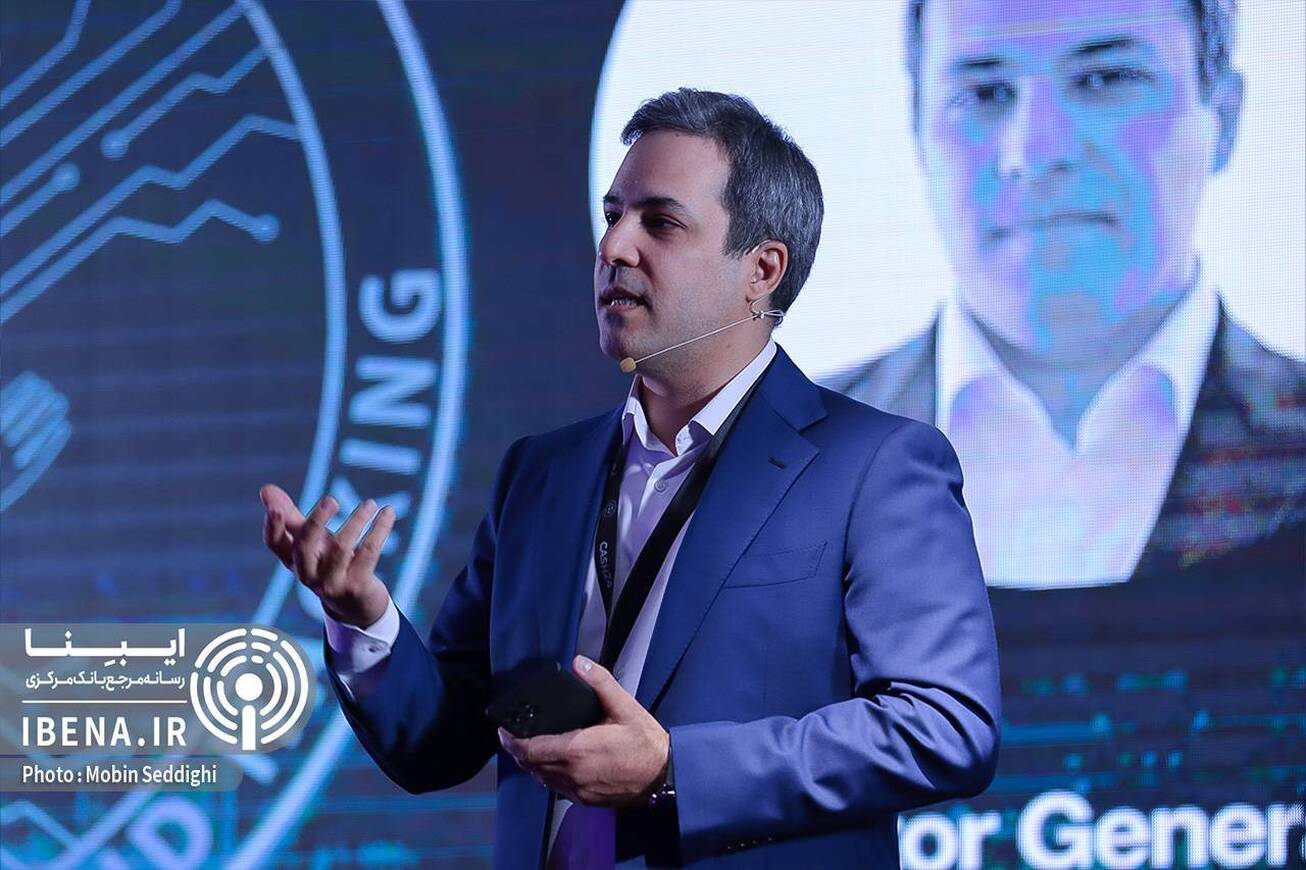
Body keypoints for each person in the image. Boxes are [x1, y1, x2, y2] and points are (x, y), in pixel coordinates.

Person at [261, 88, 1001, 868]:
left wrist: (675, 771)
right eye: (612, 214)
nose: (614, 244)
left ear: (762, 269)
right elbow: (439, 743)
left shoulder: (874, 465)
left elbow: (944, 726)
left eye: (660, 222)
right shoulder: (540, 476)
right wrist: (363, 618)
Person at [823, 0, 1304, 828]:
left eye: (1105, 78)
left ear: (1223, 117)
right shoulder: (768, 467)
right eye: (983, 93)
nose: (1036, 151)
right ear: (917, 132)